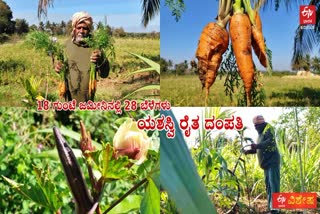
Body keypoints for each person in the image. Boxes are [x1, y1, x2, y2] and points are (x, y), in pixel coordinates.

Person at [55, 11, 109, 102]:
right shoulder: (65, 46)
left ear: (89, 30)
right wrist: (58, 68)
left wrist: (100, 59)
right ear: (74, 28)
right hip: (68, 99)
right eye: (79, 27)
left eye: (85, 28)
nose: (81, 31)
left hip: (87, 100)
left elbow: (104, 74)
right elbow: (60, 67)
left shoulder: (95, 48)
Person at [245, 115, 280, 214]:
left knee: (274, 185)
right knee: (268, 186)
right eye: (255, 126)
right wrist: (250, 151)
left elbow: (270, 143)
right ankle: (271, 208)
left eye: (257, 125)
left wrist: (257, 145)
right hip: (266, 164)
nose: (256, 127)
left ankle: (275, 210)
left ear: (262, 124)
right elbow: (260, 148)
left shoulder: (268, 129)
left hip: (272, 162)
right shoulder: (260, 135)